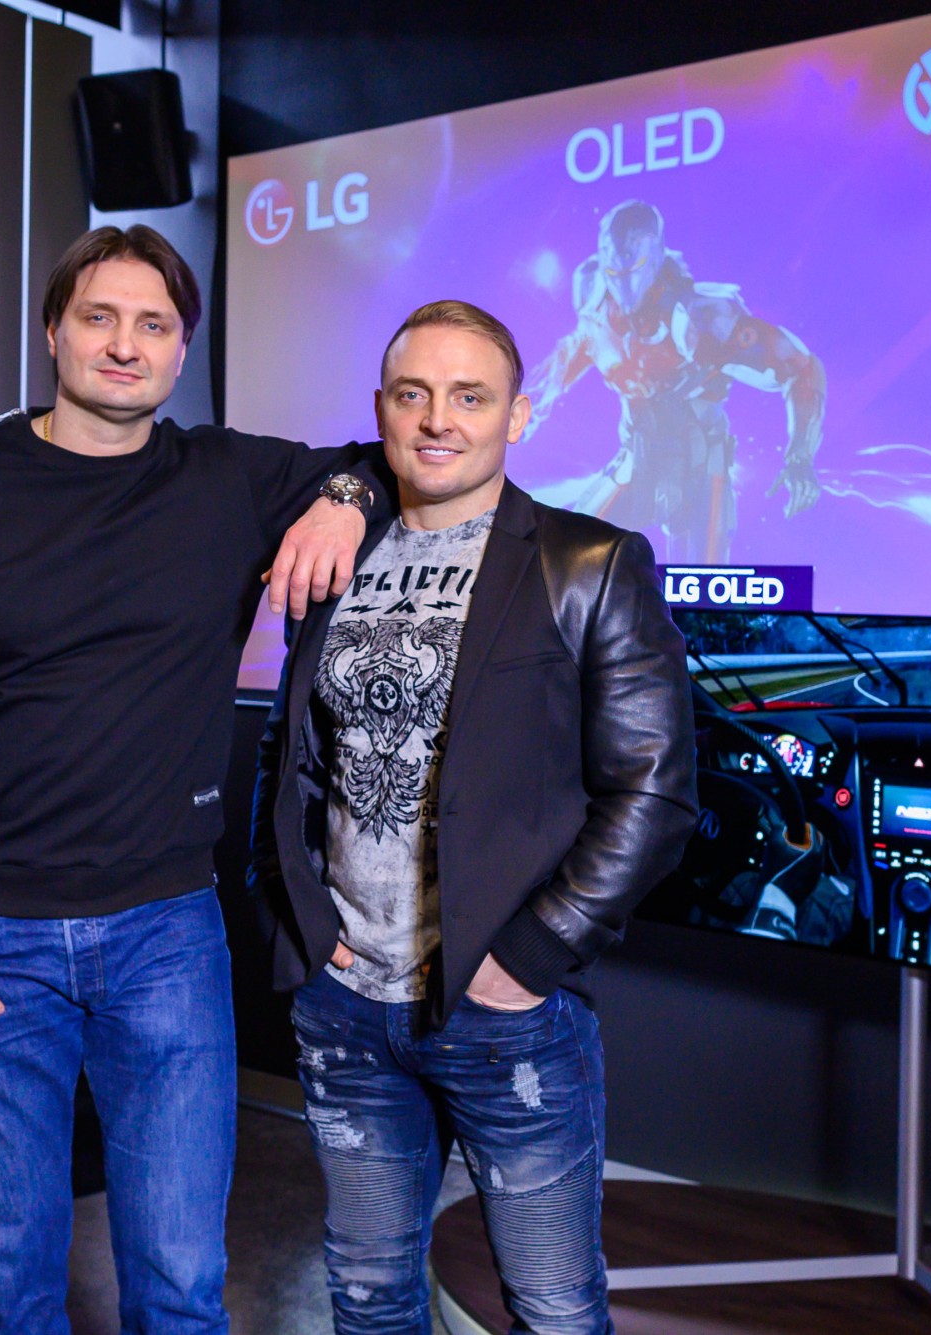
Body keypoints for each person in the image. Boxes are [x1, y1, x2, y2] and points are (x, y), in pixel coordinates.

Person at [0, 223, 385, 1335]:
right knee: (9, 1290)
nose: (125, 345)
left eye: (153, 326)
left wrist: (342, 501)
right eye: (99, 318)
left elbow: (376, 459)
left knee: (180, 1286)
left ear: (180, 352)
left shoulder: (226, 477)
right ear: (53, 333)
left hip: (165, 933)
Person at [250, 299, 698, 1334]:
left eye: (469, 396)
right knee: (368, 1298)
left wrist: (532, 954)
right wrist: (300, 921)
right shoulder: (336, 554)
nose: (438, 420)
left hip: (507, 1015)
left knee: (551, 1309)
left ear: (518, 415)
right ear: (381, 409)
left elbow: (655, 791)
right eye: (413, 395)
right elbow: (292, 756)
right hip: (345, 1007)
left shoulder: (587, 562)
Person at [523, 199, 827, 560]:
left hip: (699, 468)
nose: (622, 279)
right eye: (613, 266)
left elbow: (799, 367)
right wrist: (527, 408)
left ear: (654, 257)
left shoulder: (701, 316)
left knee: (704, 582)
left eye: (632, 264)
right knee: (561, 557)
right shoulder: (593, 292)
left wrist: (799, 456)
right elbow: (576, 348)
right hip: (637, 458)